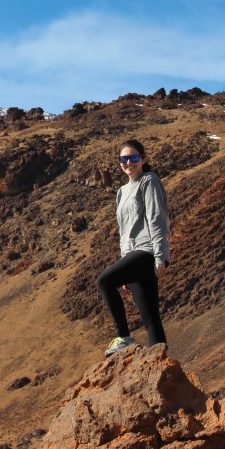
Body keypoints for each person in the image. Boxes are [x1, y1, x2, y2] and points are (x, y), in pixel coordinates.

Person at [96, 138, 170, 356]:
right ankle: (161, 363)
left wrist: (159, 255)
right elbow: (124, 230)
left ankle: (123, 337)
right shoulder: (121, 191)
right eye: (124, 159)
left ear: (143, 159)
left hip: (148, 250)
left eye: (134, 158)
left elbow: (156, 217)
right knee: (150, 318)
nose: (129, 162)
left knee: (104, 281)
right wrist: (125, 263)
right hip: (133, 252)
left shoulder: (149, 180)